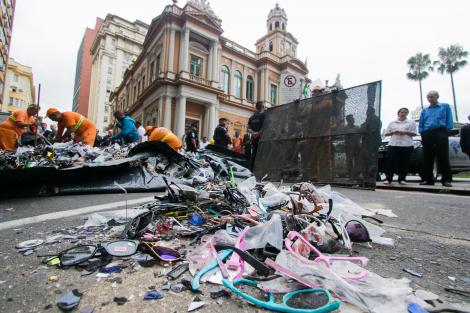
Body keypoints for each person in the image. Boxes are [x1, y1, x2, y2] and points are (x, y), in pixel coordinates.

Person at [419, 90, 453, 187]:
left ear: (437, 97)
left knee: (443, 156)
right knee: (427, 157)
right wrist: (422, 132)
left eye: (432, 96)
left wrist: (447, 130)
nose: (430, 98)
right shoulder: (425, 110)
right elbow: (421, 122)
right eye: (428, 97)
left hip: (440, 132)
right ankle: (427, 179)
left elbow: (449, 119)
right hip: (427, 133)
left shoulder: (445, 106)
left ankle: (446, 180)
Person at [383, 108, 417, 185]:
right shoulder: (392, 123)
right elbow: (386, 133)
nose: (403, 114)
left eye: (405, 112)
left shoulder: (411, 122)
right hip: (394, 144)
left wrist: (405, 132)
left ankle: (402, 179)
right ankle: (388, 178)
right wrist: (394, 132)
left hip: (406, 144)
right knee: (391, 161)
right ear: (398, 113)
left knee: (404, 162)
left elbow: (415, 133)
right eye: (402, 112)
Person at [247, 101, 266, 170]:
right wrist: (258, 133)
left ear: (256, 107)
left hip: (254, 139)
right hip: (263, 139)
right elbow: (265, 127)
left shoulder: (252, 117)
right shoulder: (264, 115)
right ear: (263, 107)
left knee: (254, 155)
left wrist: (253, 133)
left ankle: (252, 170)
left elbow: (248, 128)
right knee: (262, 155)